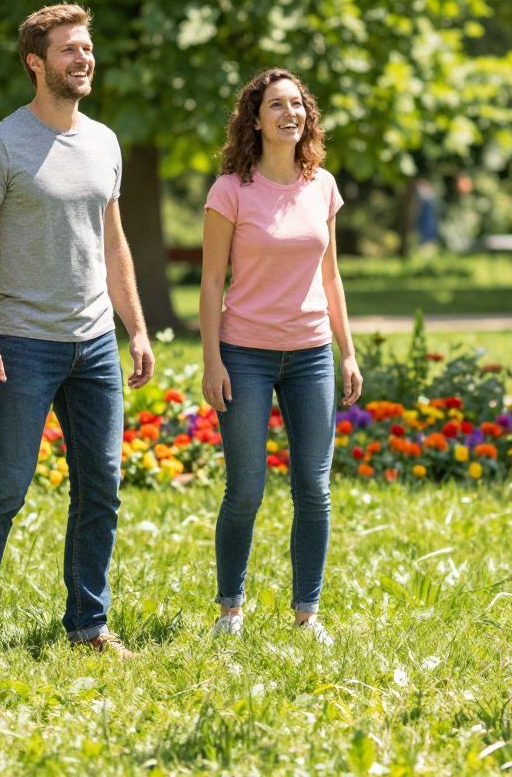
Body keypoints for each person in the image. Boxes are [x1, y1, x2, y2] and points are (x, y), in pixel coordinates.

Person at [0, 3, 154, 659]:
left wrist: (137, 331)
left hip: (93, 345)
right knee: (5, 485)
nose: (83, 59)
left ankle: (89, 625)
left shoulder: (105, 142)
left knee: (103, 484)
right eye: (69, 50)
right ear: (37, 63)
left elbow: (114, 246)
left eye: (87, 48)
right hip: (22, 344)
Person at [199, 68, 362, 645]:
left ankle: (307, 613)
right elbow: (212, 282)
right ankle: (230, 611)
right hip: (245, 353)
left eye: (298, 104)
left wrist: (347, 352)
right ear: (256, 117)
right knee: (245, 489)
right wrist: (212, 360)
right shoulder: (231, 190)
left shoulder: (323, 186)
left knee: (313, 489)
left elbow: (332, 275)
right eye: (276, 105)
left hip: (312, 352)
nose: (289, 113)